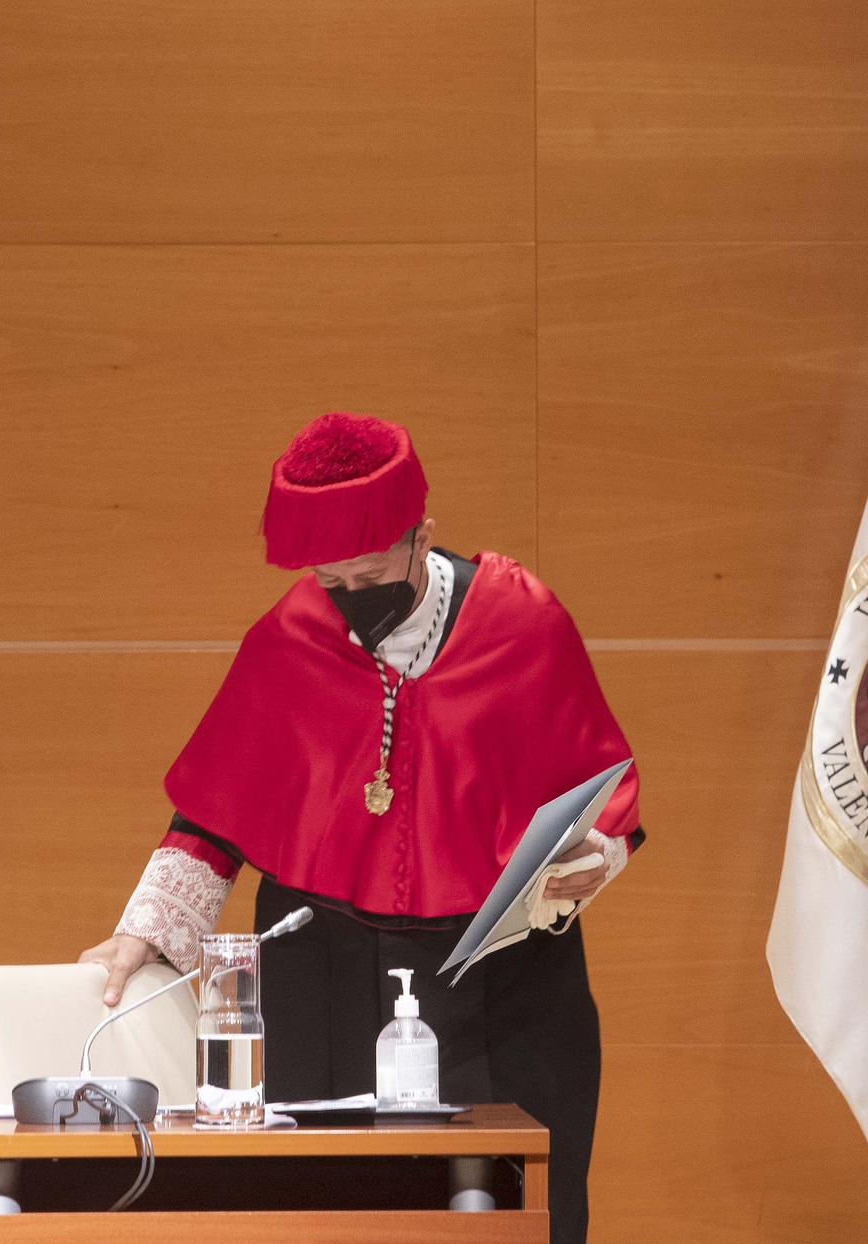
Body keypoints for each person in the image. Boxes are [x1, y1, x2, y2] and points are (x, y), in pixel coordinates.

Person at [78, 410, 643, 1243]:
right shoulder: (293, 636)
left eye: (372, 575)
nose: (351, 601)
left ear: (423, 539)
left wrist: (595, 856)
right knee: (329, 1213)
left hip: (499, 980)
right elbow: (213, 811)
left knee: (512, 1214)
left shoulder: (523, 620)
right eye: (332, 583)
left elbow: (602, 794)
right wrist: (146, 933)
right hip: (324, 974)